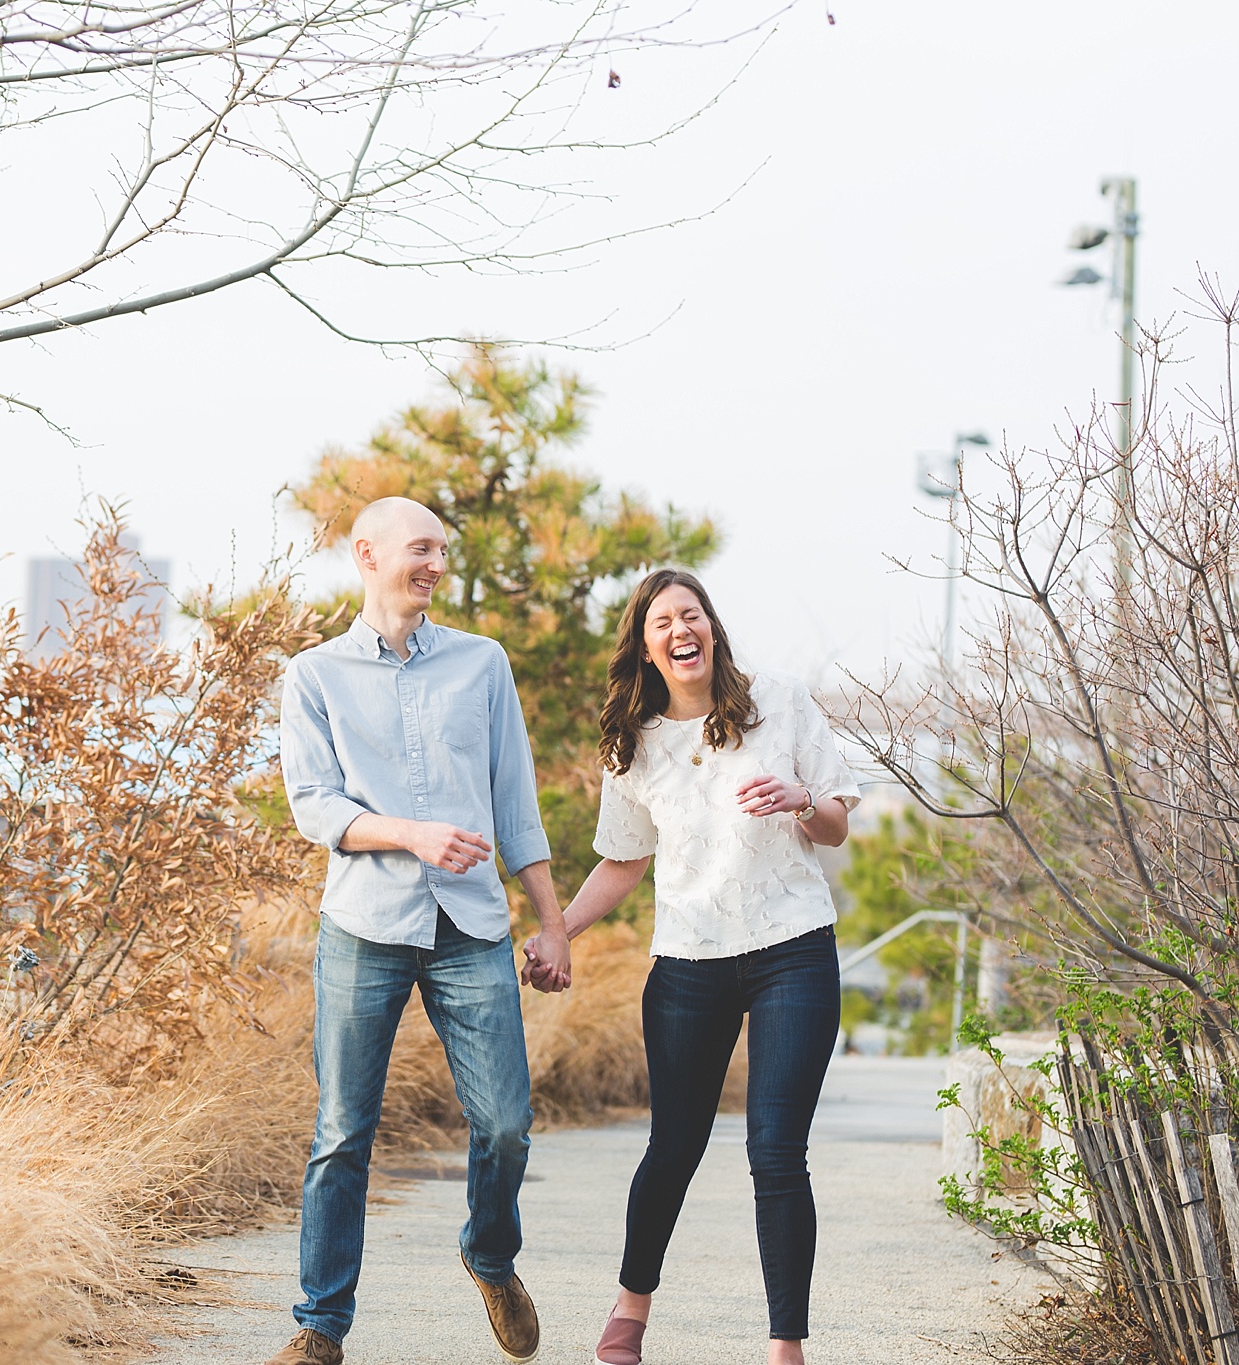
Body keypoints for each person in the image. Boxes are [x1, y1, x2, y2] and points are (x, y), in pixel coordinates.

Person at [522, 568, 859, 1365]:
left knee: (776, 1150)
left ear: (712, 627)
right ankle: (631, 1306)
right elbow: (622, 862)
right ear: (646, 646)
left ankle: (786, 1347)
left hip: (792, 948)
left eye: (692, 614)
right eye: (663, 621)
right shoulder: (631, 744)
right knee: (673, 1144)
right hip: (689, 960)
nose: (682, 629)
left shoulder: (777, 700)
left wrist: (802, 799)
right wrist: (558, 929)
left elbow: (838, 823)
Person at [272, 496, 570, 1365]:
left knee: (507, 1122)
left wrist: (552, 923)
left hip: (472, 923)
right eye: (419, 548)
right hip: (364, 923)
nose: (434, 563)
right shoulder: (315, 674)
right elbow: (314, 806)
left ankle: (490, 1254)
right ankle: (321, 1327)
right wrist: (409, 831)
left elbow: (516, 802)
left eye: (441, 548)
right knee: (342, 1131)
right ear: (366, 554)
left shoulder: (482, 664)